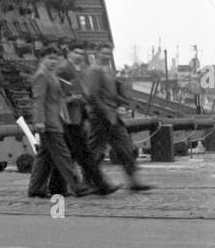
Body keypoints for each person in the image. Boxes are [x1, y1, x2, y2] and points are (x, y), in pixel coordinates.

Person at [82, 53, 151, 192]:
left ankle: (133, 181)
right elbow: (91, 95)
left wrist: (119, 100)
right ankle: (89, 182)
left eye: (109, 52)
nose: (107, 55)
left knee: (125, 148)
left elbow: (109, 93)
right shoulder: (95, 71)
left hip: (113, 117)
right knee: (95, 151)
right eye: (104, 52)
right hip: (100, 118)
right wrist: (104, 110)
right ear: (98, 52)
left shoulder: (107, 71)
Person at [26, 50, 87, 199]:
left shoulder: (51, 74)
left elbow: (57, 99)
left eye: (55, 59)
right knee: (63, 155)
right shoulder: (42, 75)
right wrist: (39, 121)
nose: (53, 62)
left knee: (44, 158)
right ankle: (77, 186)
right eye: (50, 58)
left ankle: (36, 189)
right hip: (48, 123)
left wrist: (64, 114)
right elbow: (38, 99)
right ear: (42, 59)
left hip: (54, 120)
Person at [63, 49, 115, 195]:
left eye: (81, 52)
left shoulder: (82, 70)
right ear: (69, 54)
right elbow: (55, 93)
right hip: (67, 118)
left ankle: (54, 187)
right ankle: (98, 185)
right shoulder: (63, 69)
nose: (79, 55)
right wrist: (70, 99)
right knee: (81, 154)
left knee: (71, 154)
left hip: (78, 117)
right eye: (76, 52)